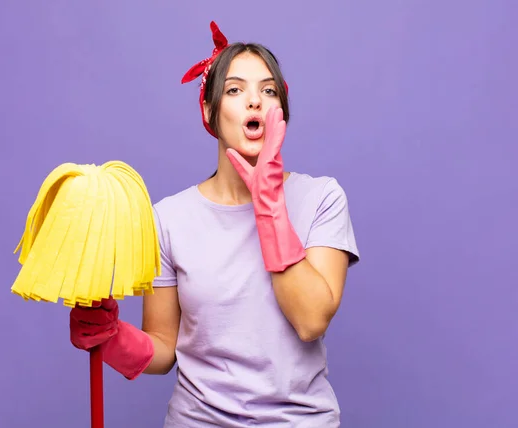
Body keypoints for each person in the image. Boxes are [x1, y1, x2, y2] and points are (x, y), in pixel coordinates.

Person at [69, 21, 360, 427]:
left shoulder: (322, 199)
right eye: (235, 90)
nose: (254, 101)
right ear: (209, 110)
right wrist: (111, 338)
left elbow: (311, 321)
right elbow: (164, 348)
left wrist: (269, 200)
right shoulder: (168, 219)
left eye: (268, 90)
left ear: (282, 113)